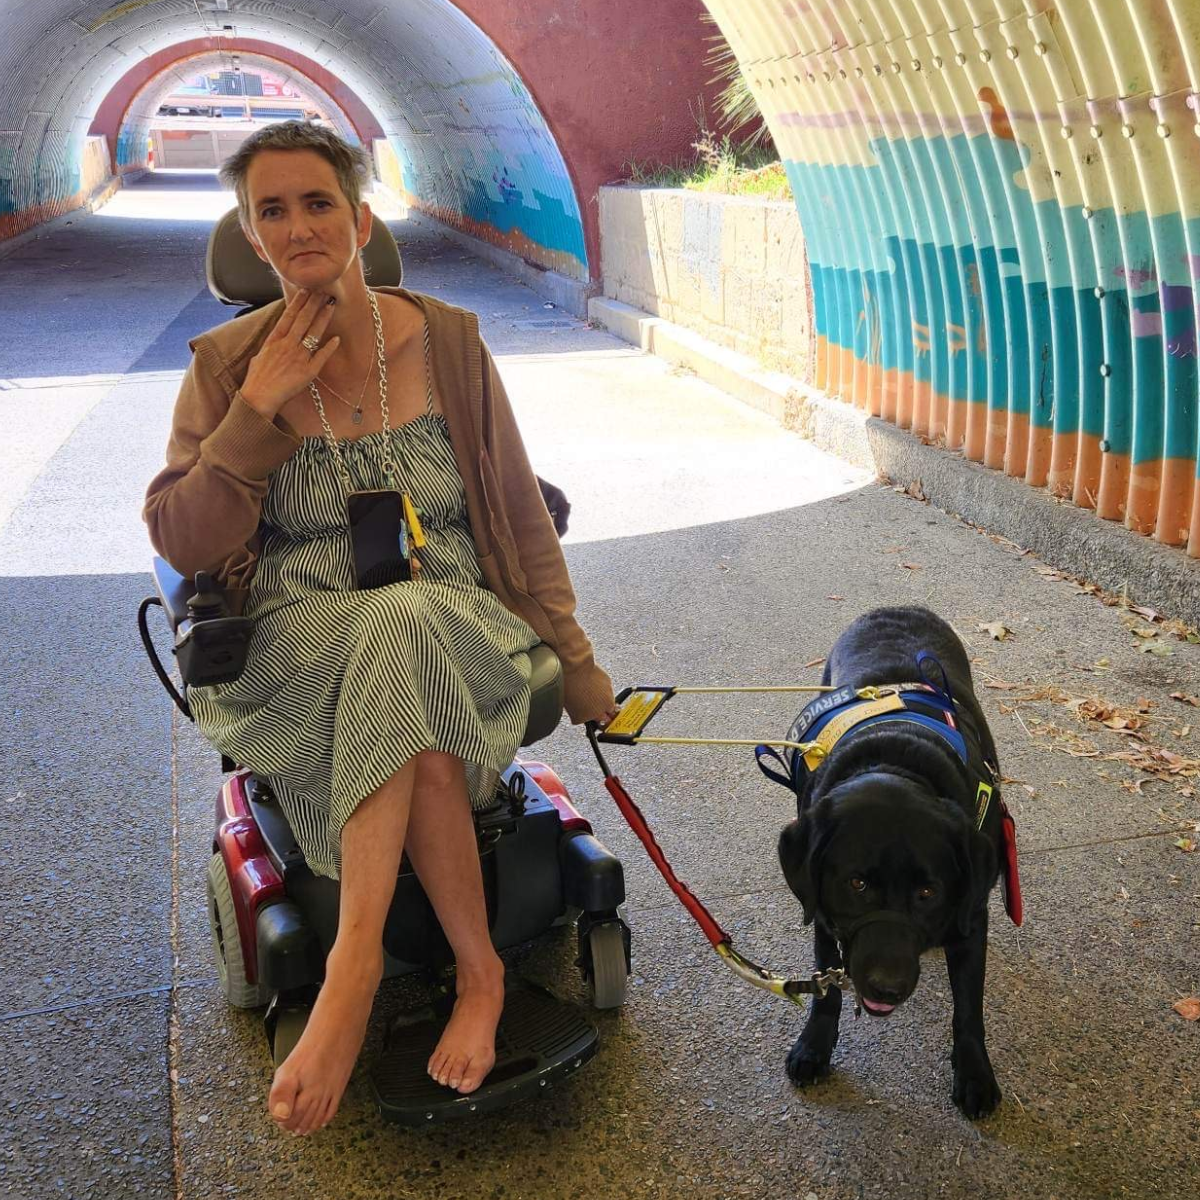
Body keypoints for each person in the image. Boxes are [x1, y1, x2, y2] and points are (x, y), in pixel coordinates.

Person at [143, 121, 616, 1137]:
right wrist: (253, 414)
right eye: (272, 209)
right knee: (420, 719)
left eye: (318, 202)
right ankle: (473, 972)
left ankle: (352, 971)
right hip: (295, 627)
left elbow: (517, 512)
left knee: (405, 618)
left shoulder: (445, 340)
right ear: (251, 235)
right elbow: (183, 540)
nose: (299, 225)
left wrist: (575, 658)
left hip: (450, 606)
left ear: (359, 218)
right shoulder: (225, 365)